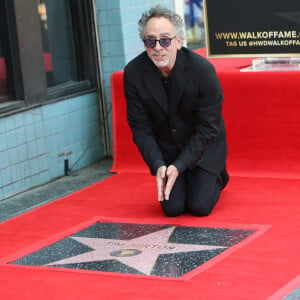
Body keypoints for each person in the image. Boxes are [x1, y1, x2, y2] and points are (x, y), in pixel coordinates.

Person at [123, 5, 229, 217]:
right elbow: (140, 127)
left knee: (200, 207)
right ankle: (182, 176)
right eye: (150, 41)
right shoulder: (133, 73)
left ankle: (218, 176)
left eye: (165, 40)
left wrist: (181, 165)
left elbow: (208, 129)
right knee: (173, 209)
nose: (158, 47)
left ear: (178, 41)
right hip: (168, 149)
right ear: (144, 43)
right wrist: (158, 165)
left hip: (204, 148)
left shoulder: (202, 71)